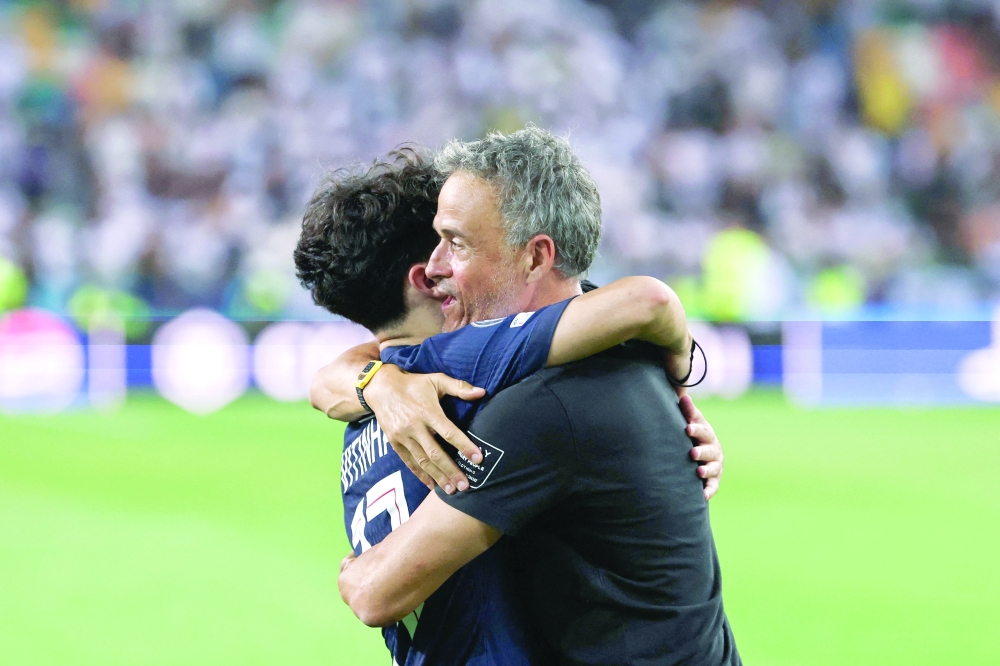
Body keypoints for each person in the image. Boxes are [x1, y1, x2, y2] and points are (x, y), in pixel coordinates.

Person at [315, 127, 739, 664]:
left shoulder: (547, 403)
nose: (436, 265)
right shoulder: (589, 348)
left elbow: (381, 592)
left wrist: (356, 576)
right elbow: (357, 366)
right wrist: (378, 383)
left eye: (457, 242)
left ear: (536, 258)